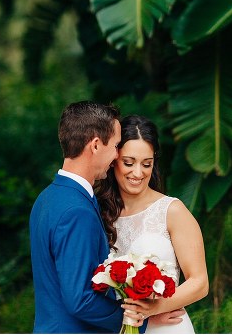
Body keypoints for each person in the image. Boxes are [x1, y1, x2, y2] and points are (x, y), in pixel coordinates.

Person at [30, 101, 147, 333]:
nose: (116, 156)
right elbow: (80, 299)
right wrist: (132, 321)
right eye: (115, 146)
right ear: (95, 145)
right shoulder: (76, 211)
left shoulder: (47, 198)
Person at [96, 115, 209, 334]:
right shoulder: (100, 214)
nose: (138, 173)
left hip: (167, 328)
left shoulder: (172, 211)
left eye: (146, 164)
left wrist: (155, 307)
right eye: (128, 163)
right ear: (113, 160)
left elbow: (200, 282)